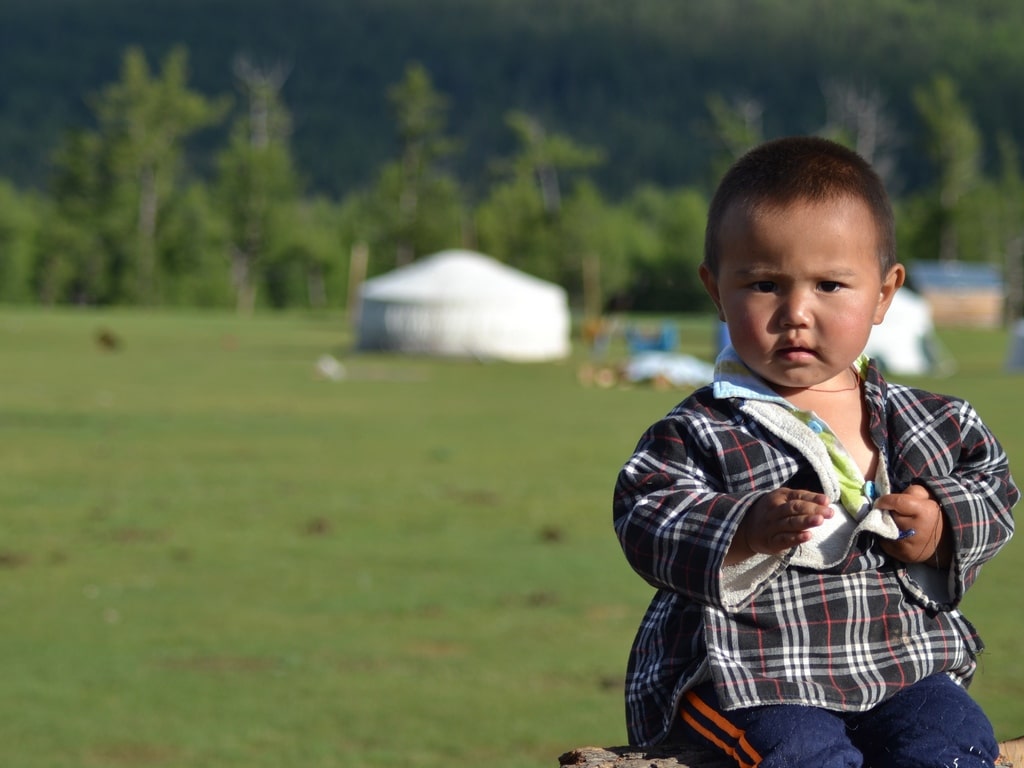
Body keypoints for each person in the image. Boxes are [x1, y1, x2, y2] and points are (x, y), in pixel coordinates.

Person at [612, 136, 1019, 767]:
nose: (796, 312)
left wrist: (940, 522)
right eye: (764, 284)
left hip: (896, 661)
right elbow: (647, 512)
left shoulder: (932, 420)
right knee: (802, 754)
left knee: (954, 739)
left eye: (830, 284)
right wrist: (743, 527)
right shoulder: (700, 429)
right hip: (748, 674)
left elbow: (991, 483)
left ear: (884, 294)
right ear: (716, 290)